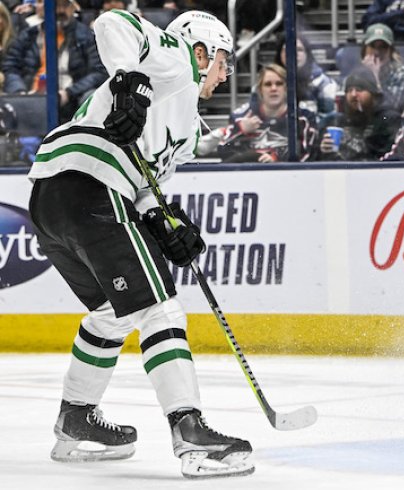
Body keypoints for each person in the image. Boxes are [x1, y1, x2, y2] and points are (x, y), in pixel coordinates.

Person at [26, 10, 253, 478]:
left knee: (114, 312)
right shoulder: (174, 62)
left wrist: (165, 221)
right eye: (223, 59)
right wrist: (131, 81)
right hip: (89, 182)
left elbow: (146, 184)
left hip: (52, 197)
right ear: (202, 50)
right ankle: (190, 431)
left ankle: (76, 419)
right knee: (160, 308)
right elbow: (112, 23)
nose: (226, 72)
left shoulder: (187, 129)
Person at [2, 0, 107, 121]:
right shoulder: (28, 36)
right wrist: (19, 91)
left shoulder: (86, 36)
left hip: (72, 98)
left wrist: (69, 93)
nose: (61, 10)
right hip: (31, 96)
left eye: (65, 5)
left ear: (73, 8)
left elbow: (98, 72)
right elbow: (10, 67)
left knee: (91, 98)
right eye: (56, 5)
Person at [198, 64, 318, 162]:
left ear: (286, 88)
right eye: (268, 84)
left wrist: (277, 159)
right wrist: (240, 130)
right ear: (260, 90)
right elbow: (224, 153)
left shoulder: (303, 117)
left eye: (279, 83)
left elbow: (308, 153)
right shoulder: (241, 116)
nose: (273, 88)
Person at [317, 67, 402, 161]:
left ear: (372, 94)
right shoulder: (339, 121)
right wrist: (324, 151)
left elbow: (389, 157)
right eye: (349, 90)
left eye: (359, 89)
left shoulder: (388, 119)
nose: (353, 94)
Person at [273, 32, 339, 117]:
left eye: (299, 50)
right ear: (280, 54)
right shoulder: (267, 81)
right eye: (288, 49)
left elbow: (329, 119)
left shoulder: (323, 83)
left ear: (307, 54)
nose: (294, 53)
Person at [360, 23, 404, 113]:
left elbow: (393, 107)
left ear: (391, 51)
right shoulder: (357, 73)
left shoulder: (402, 73)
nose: (377, 52)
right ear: (365, 49)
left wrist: (375, 76)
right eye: (373, 46)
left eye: (382, 47)